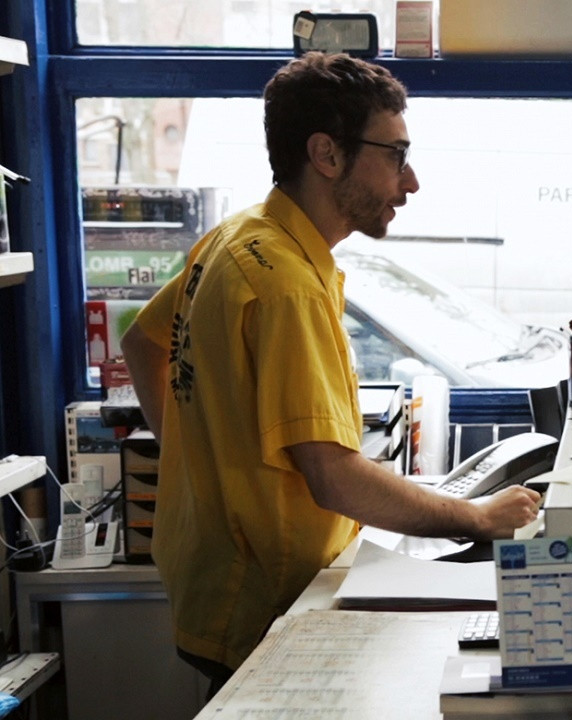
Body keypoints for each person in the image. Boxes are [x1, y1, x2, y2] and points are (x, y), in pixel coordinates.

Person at [121, 53, 541, 697]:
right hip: (264, 602)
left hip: (217, 579)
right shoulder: (286, 283)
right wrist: (475, 516)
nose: (413, 182)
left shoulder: (238, 237)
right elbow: (333, 474)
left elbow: (141, 344)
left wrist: (201, 461)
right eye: (396, 155)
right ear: (326, 154)